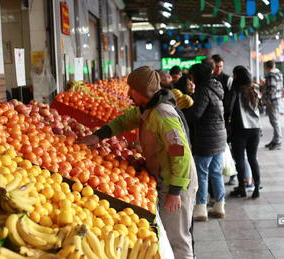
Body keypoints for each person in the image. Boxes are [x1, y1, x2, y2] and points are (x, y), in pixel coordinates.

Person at [78, 66, 198, 259]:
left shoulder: (163, 113)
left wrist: (175, 191)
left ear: (141, 90)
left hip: (177, 182)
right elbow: (124, 121)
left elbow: (180, 153)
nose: (128, 93)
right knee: (169, 235)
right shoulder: (147, 109)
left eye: (131, 89)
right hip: (166, 179)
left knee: (178, 240)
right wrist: (98, 136)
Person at [185, 63, 227, 221]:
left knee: (202, 173)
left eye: (192, 75)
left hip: (206, 138)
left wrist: (181, 114)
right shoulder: (216, 87)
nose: (191, 79)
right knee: (216, 172)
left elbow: (196, 114)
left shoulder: (203, 90)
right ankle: (219, 206)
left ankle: (201, 209)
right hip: (219, 135)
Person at [228, 66, 261, 198]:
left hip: (240, 129)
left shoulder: (235, 91)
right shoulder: (254, 89)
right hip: (255, 129)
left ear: (236, 76)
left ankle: (242, 188)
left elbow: (229, 109)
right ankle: (257, 188)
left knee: (240, 159)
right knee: (253, 158)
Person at [211, 54, 236, 185]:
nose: (219, 69)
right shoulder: (208, 79)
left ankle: (233, 173)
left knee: (228, 146)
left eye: (221, 66)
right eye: (216, 66)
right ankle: (221, 171)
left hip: (225, 118)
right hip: (214, 119)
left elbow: (230, 99)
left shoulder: (227, 79)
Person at [263, 60, 283, 150]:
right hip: (277, 98)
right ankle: (275, 140)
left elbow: (272, 88)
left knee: (274, 120)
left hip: (272, 100)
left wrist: (267, 99)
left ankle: (278, 141)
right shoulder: (279, 73)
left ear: (267, 67)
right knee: (275, 120)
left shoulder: (271, 74)